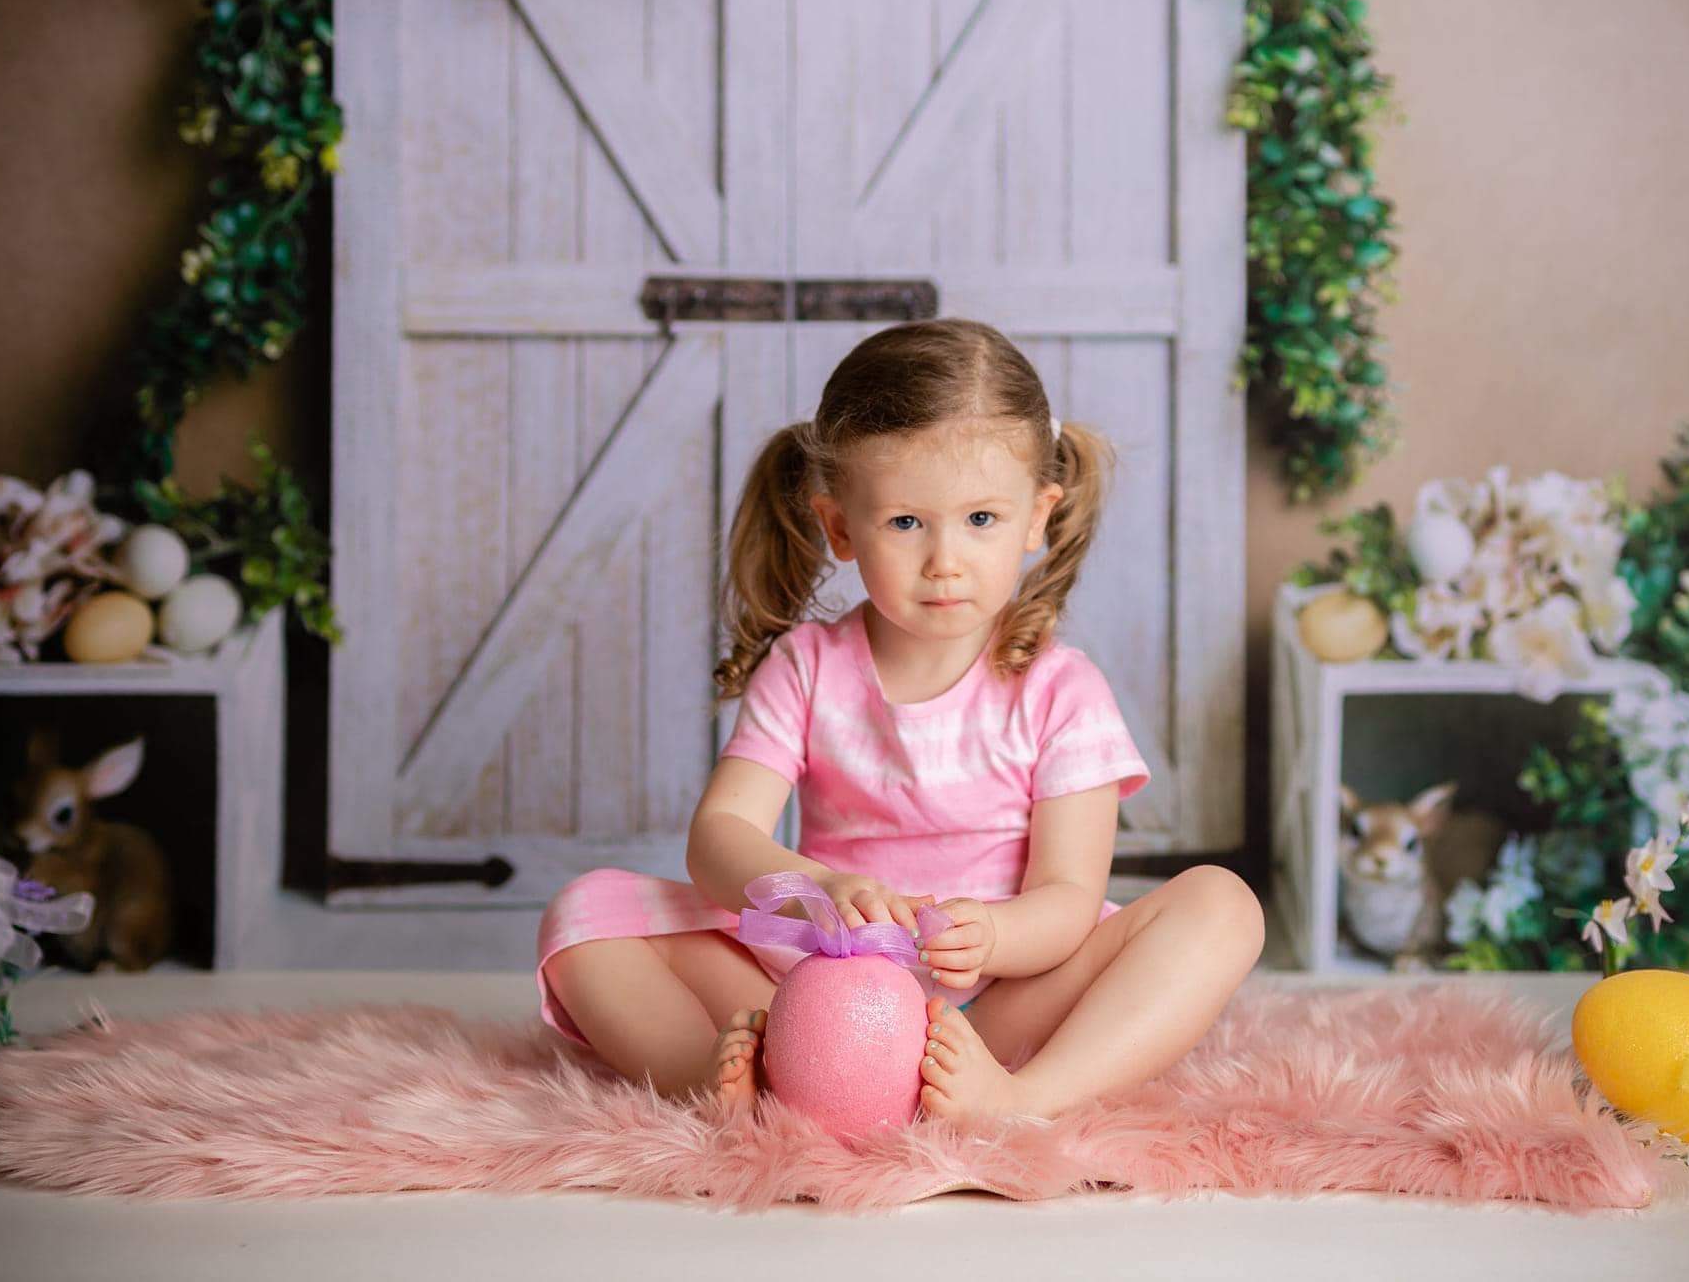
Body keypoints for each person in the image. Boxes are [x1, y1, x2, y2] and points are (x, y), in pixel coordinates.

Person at [536, 317, 1264, 1123]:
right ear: (841, 527)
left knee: (1222, 904)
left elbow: (1067, 895)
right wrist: (820, 888)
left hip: (985, 1011)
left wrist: (993, 935)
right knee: (583, 914)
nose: (944, 560)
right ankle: (715, 1078)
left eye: (981, 520)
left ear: (1036, 515)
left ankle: (1021, 1097)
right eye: (906, 522)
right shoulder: (809, 667)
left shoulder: (1061, 689)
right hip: (812, 994)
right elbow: (718, 838)